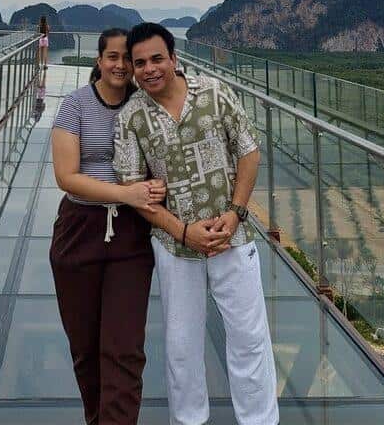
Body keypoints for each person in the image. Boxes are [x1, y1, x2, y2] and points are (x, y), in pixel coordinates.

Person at [113, 22, 278, 425]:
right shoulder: (132, 117)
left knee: (249, 338)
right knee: (182, 346)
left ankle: (260, 420)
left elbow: (248, 152)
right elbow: (134, 188)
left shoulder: (215, 93)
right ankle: (188, 420)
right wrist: (182, 231)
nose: (149, 69)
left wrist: (236, 212)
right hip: (175, 246)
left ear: (174, 58)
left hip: (232, 236)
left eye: (156, 59)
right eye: (140, 63)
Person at [50, 27, 167, 425]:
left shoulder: (146, 106)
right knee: (85, 347)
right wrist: (125, 193)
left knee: (124, 348)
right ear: (99, 61)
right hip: (79, 230)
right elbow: (66, 176)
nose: (120, 65)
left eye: (126, 59)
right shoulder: (75, 105)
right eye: (112, 57)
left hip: (131, 237)